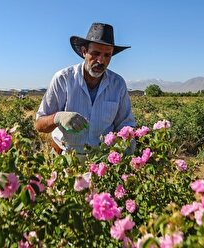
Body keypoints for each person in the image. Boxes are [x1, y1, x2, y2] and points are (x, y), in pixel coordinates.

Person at [35, 23, 136, 155]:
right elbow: (39, 125)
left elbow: (125, 124)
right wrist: (57, 117)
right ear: (84, 52)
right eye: (96, 53)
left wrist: (127, 152)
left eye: (107, 55)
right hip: (65, 156)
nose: (101, 60)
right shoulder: (63, 79)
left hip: (100, 161)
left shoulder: (118, 84)